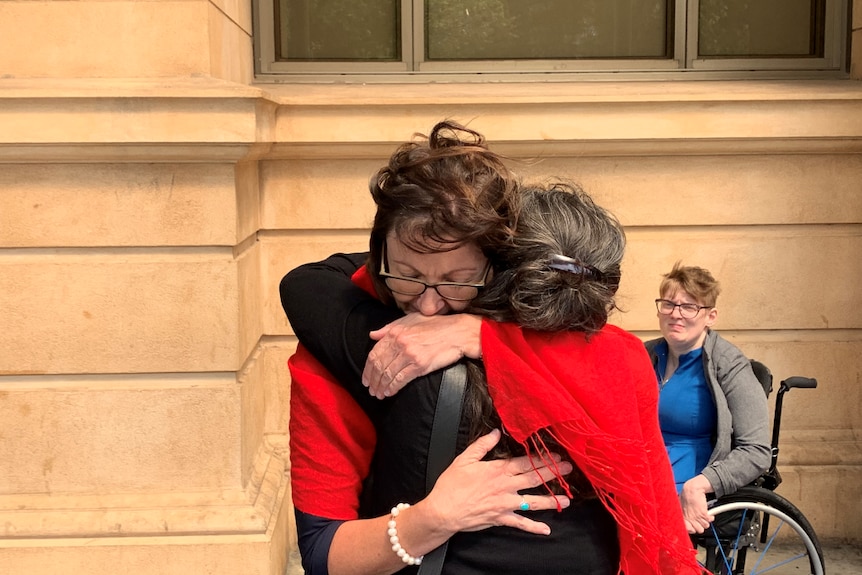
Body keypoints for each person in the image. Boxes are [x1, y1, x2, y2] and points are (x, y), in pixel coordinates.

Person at [282, 122, 701, 574]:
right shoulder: (338, 351)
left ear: (501, 267)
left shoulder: (566, 340)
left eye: (458, 282)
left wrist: (485, 335)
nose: (427, 305)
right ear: (378, 252)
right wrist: (433, 518)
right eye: (404, 272)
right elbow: (324, 552)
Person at [644, 263, 771, 535]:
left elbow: (757, 452)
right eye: (668, 304)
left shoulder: (729, 365)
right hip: (642, 465)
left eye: (689, 307)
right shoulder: (646, 355)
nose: (676, 314)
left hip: (690, 471)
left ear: (711, 316)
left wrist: (701, 484)